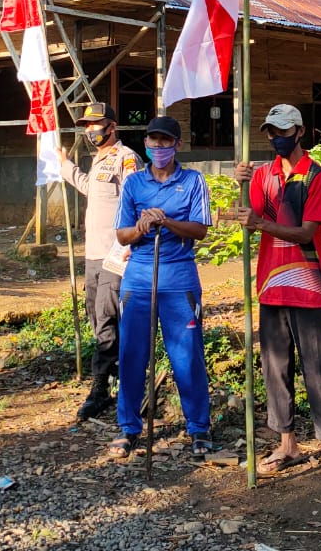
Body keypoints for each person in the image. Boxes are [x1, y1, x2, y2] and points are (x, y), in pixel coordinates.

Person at [234, 104, 321, 491]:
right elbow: (251, 220)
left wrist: (260, 223)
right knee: (275, 369)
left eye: (283, 130)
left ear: (300, 131)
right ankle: (287, 444)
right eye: (271, 131)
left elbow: (306, 232)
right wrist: (243, 186)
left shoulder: (316, 176)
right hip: (271, 285)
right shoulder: (263, 175)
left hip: (307, 285)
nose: (276, 138)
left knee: (319, 368)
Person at [112, 115, 213, 458]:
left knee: (187, 356)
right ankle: (128, 428)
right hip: (138, 277)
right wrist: (142, 226)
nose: (158, 147)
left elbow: (201, 229)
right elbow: (122, 234)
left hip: (179, 277)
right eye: (153, 141)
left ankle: (199, 428)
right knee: (131, 355)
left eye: (165, 142)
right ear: (145, 144)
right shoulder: (134, 185)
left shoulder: (194, 181)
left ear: (177, 145)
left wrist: (166, 221)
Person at [57, 102, 142, 421]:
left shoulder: (126, 158)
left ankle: (100, 388)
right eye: (87, 125)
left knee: (106, 317)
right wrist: (66, 166)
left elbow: (136, 198)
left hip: (115, 254)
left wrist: (133, 242)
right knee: (96, 315)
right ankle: (121, 374)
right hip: (92, 253)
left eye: (97, 123)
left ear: (112, 126)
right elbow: (90, 190)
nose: (91, 129)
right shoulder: (97, 161)